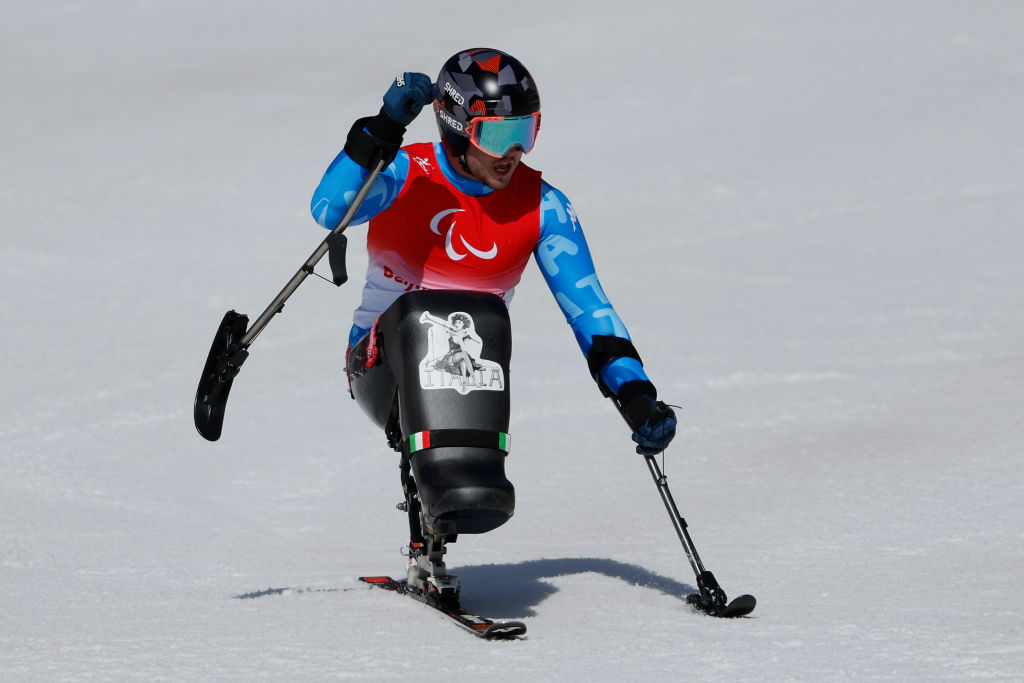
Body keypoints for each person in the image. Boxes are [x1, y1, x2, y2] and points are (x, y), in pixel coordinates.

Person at [310, 48, 676, 602]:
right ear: (457, 130)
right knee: (428, 314)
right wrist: (383, 128)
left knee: (481, 317)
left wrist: (636, 393)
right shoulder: (408, 173)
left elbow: (591, 310)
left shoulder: (544, 206)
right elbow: (328, 210)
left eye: (525, 132)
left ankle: (458, 497)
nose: (513, 153)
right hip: (379, 362)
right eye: (496, 135)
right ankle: (450, 486)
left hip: (469, 370)